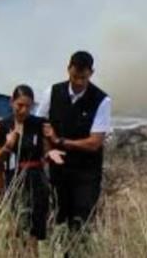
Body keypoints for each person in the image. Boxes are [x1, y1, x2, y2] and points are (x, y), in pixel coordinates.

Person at [35, 51, 112, 247]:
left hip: (86, 172)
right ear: (68, 69)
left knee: (81, 220)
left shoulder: (102, 100)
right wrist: (48, 150)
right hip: (57, 169)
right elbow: (40, 125)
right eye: (75, 76)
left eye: (83, 77)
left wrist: (60, 142)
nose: (78, 81)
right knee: (57, 217)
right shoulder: (52, 92)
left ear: (91, 73)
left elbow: (94, 142)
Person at [0, 85, 63, 253]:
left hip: (36, 181)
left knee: (33, 232)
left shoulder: (39, 124)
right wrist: (8, 146)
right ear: (11, 102)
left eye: (28, 106)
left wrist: (52, 151)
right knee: (14, 229)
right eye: (20, 105)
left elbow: (46, 152)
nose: (24, 110)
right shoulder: (3, 125)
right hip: (11, 181)